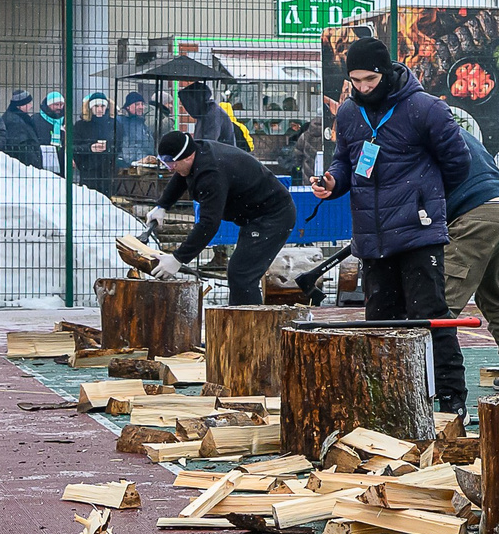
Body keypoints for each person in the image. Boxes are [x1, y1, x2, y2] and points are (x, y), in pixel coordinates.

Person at [310, 35, 474, 415]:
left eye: (370, 79)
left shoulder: (425, 108)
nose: (364, 87)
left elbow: (458, 163)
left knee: (430, 315)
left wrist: (423, 196)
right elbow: (345, 162)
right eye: (357, 80)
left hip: (418, 232)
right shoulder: (349, 114)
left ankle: (451, 399)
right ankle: (385, 400)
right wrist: (333, 182)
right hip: (371, 236)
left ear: (385, 72)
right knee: (380, 322)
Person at [144, 129, 296, 304]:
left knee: (242, 273)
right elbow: (181, 176)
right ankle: (241, 319)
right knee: (240, 271)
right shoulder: (196, 153)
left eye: (171, 163)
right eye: (164, 162)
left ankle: (247, 325)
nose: (169, 168)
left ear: (186, 157)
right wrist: (163, 205)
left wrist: (179, 258)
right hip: (254, 214)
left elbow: (209, 223)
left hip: (274, 214)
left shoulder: (212, 174)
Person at [440, 120, 499, 391]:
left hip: (477, 216)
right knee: (494, 297)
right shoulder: (453, 129)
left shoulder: (418, 130)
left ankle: (438, 382)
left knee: (440, 305)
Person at [66, 93, 120, 191]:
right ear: (90, 107)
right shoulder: (80, 126)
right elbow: (73, 148)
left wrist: (108, 147)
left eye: (102, 106)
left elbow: (120, 146)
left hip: (108, 172)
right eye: (96, 106)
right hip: (88, 172)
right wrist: (90, 148)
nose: (99, 109)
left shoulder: (115, 124)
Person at [0, 90, 47, 168]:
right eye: (29, 103)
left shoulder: (17, 118)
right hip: (24, 166)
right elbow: (21, 146)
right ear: (21, 105)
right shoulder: (15, 122)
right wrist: (34, 163)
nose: (31, 106)